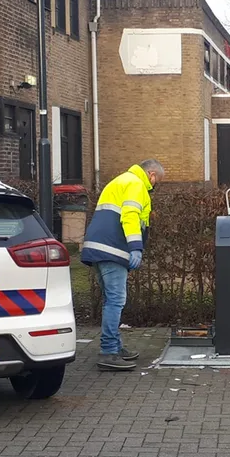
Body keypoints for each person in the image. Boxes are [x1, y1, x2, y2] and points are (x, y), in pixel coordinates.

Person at [81, 159, 165, 371]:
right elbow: (130, 216)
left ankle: (115, 347)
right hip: (113, 250)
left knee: (111, 299)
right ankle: (109, 351)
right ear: (152, 175)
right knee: (116, 300)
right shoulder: (136, 184)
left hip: (98, 248)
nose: (156, 185)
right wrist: (135, 246)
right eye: (158, 180)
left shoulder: (120, 180)